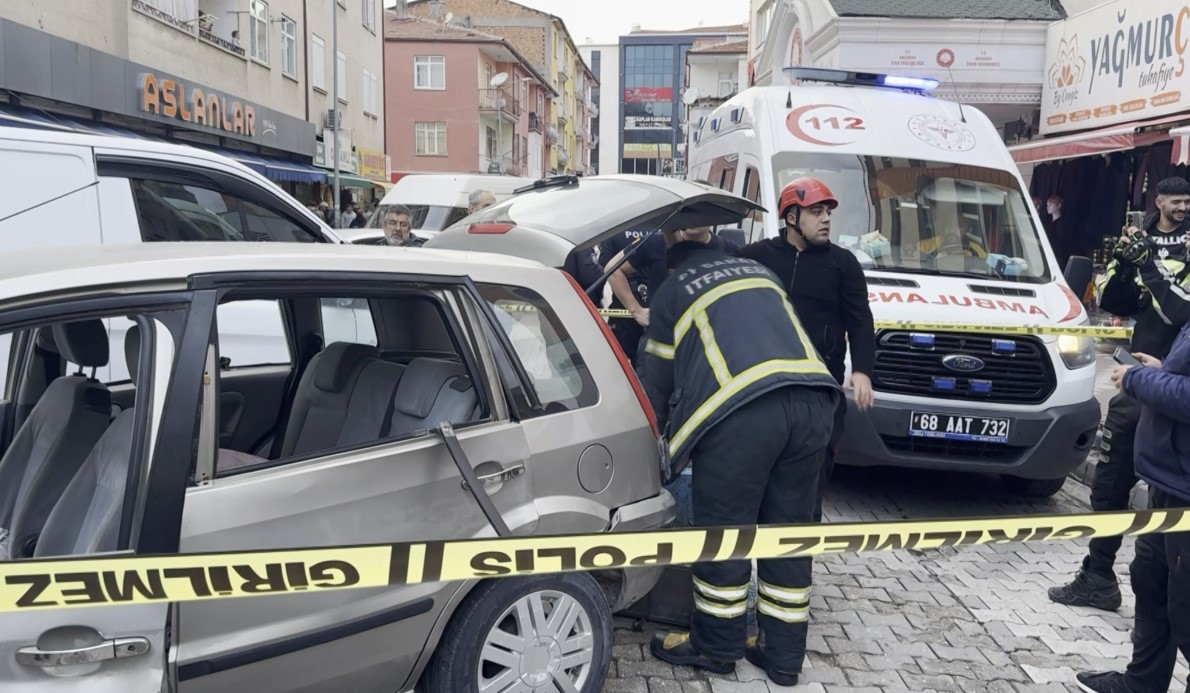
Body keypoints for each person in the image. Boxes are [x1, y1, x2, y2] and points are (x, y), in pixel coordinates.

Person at [640, 223, 842, 687]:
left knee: (725, 534)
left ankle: (716, 647)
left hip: (743, 413)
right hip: (814, 403)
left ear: (673, 259)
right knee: (788, 534)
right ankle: (783, 656)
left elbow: (658, 378)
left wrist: (654, 440)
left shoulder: (674, 290)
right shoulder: (759, 271)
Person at [1050, 176, 1190, 612]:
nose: (1184, 207)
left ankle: (1170, 600)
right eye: (1178, 200)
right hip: (1134, 381)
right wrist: (1127, 262)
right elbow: (1115, 300)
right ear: (1159, 201)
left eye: (1189, 201)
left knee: (1168, 495)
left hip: (1175, 389)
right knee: (1110, 483)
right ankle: (1097, 576)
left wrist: (1148, 266)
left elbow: (1179, 311)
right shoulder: (1139, 236)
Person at [734, 177, 875, 518]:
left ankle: (794, 564)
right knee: (753, 487)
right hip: (766, 391)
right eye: (816, 212)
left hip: (820, 396)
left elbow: (860, 321)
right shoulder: (756, 258)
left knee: (807, 492)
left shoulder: (844, 265)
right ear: (791, 217)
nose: (826, 219)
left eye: (827, 212)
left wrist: (862, 371)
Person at [1074, 325, 1190, 693]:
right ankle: (1143, 683)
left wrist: (1140, 379)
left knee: (1186, 607)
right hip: (1168, 481)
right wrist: (1160, 371)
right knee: (1150, 580)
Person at [606, 226, 739, 364]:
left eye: (698, 214)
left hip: (706, 348)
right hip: (660, 346)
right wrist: (637, 311)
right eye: (688, 213)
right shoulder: (656, 243)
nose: (694, 220)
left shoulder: (728, 249)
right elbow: (613, 269)